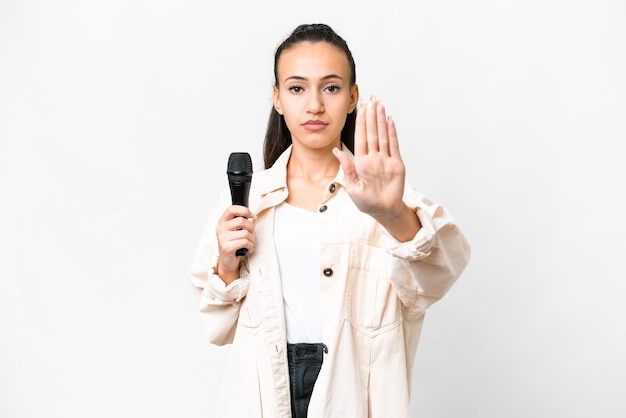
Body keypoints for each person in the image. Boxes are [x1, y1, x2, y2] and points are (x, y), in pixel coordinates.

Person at [190, 23, 471, 418]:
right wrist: (226, 264)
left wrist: (391, 214)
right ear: (277, 98)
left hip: (351, 390)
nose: (315, 105)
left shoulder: (382, 198)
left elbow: (439, 274)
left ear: (353, 97)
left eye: (332, 87)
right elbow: (217, 328)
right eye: (297, 88)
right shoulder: (246, 199)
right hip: (266, 390)